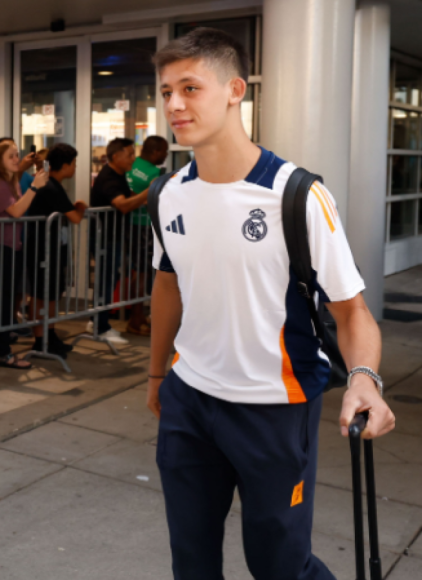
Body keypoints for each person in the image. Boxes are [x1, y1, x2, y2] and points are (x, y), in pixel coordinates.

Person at [147, 28, 396, 580]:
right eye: (166, 91)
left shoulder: (297, 195)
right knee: (190, 560)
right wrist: (155, 375)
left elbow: (352, 310)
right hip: (189, 401)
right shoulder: (167, 195)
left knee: (280, 565)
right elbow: (168, 285)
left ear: (235, 89)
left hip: (275, 407)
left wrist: (362, 378)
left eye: (190, 87)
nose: (174, 105)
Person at [27, 144, 87, 357]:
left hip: (48, 248)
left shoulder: (53, 185)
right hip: (43, 250)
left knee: (49, 294)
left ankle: (48, 336)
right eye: (74, 164)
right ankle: (42, 339)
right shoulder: (52, 187)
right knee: (43, 294)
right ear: (66, 165)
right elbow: (75, 218)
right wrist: (80, 207)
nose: (76, 168)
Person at [90, 137, 150, 344]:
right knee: (106, 281)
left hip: (113, 237)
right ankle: (101, 326)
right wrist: (147, 193)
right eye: (130, 154)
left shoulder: (119, 175)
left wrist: (144, 197)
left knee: (109, 279)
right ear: (116, 156)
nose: (134, 159)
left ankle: (97, 320)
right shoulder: (109, 178)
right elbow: (122, 205)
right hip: (105, 238)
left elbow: (128, 196)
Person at [0, 141, 48, 368]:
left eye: (17, 155)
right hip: (3, 247)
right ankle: (3, 352)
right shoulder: (1, 183)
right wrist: (35, 187)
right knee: (3, 300)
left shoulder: (11, 181)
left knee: (7, 299)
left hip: (12, 245)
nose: (17, 159)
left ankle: (3, 348)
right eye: (11, 156)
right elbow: (17, 210)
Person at [126, 135, 169, 336]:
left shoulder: (132, 165)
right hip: (144, 227)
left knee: (138, 271)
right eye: (164, 152)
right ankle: (135, 318)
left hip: (130, 226)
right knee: (142, 272)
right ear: (155, 152)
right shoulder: (154, 172)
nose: (166, 155)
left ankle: (137, 315)